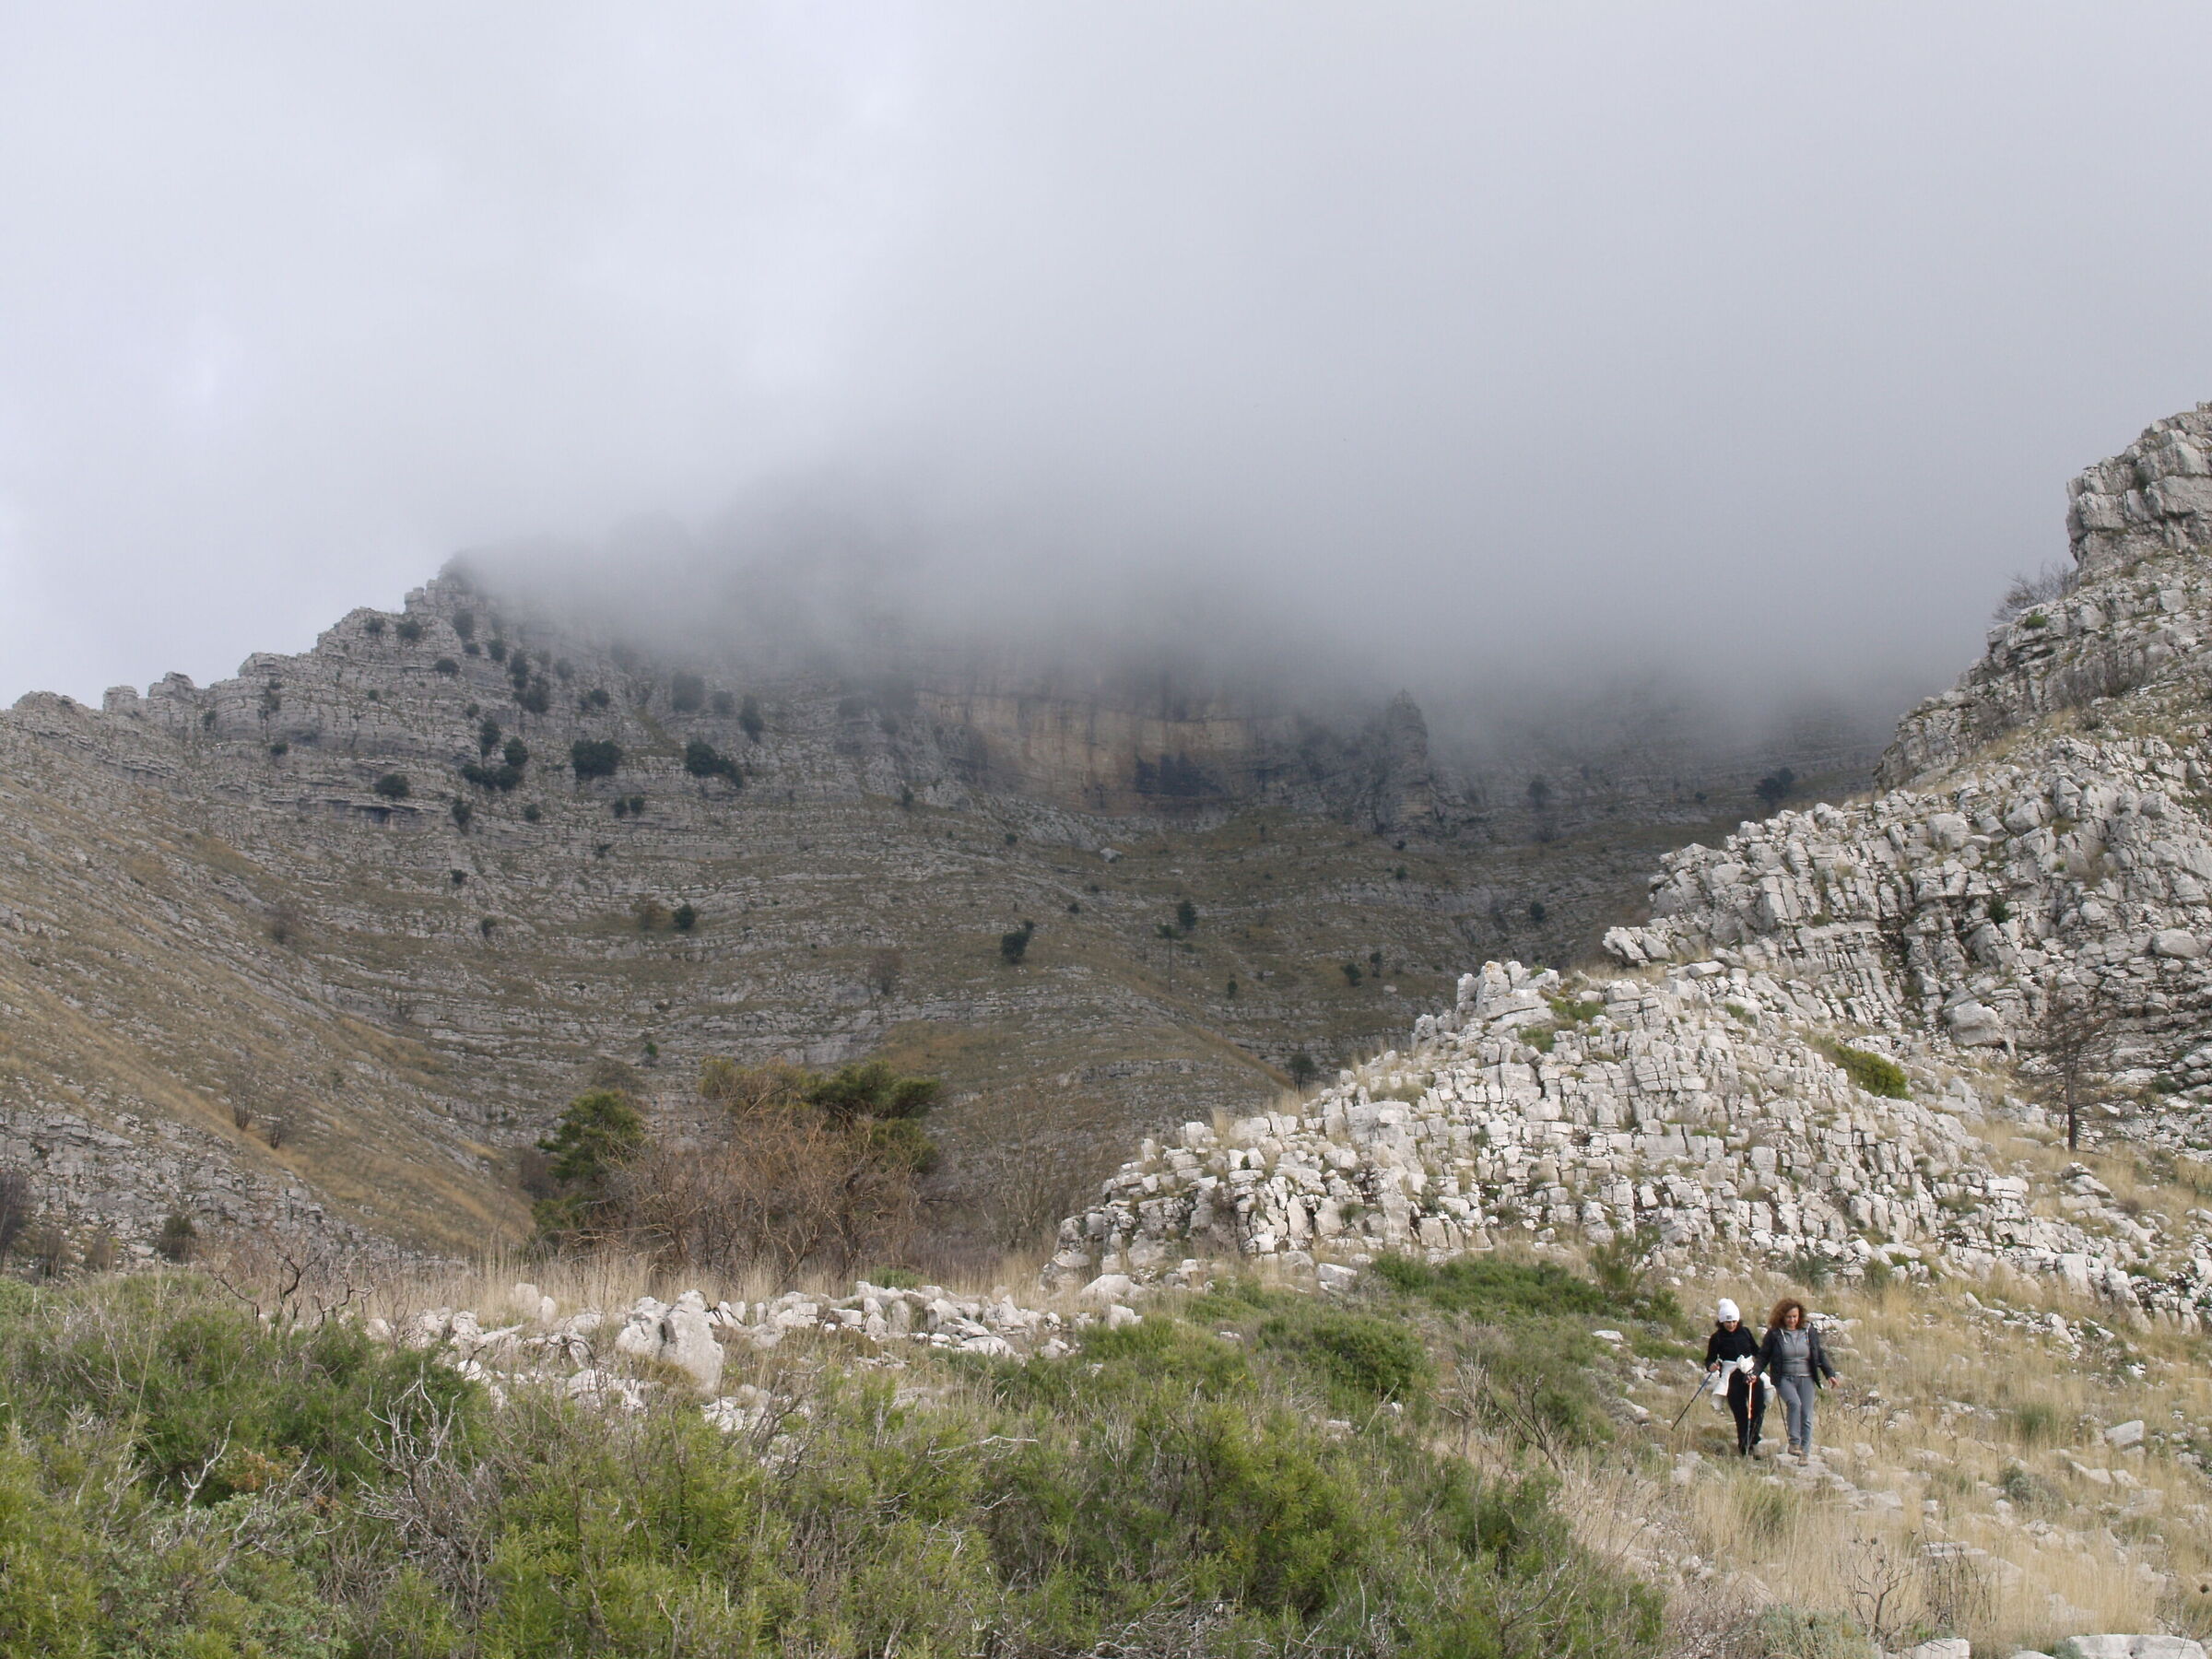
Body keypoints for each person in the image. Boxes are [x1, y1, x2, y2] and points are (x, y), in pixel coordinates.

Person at [1755, 1296, 1839, 1461]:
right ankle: (1794, 1442)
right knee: (1794, 1403)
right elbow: (1763, 1356)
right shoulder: (1774, 1334)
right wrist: (1754, 1373)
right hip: (1784, 1377)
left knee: (1807, 1415)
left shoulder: (1808, 1331)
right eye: (1788, 1317)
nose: (1792, 1320)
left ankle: (1804, 1454)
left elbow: (1818, 1353)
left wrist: (1830, 1374)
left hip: (1806, 1377)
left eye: (1795, 1316)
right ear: (1782, 1317)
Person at [1703, 1298, 1764, 1456]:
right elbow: (1709, 1359)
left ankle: (1753, 1438)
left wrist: (1762, 1363)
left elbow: (1757, 1351)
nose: (1731, 1325)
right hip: (1731, 1376)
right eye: (1727, 1321)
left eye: (1734, 1321)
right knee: (1740, 1412)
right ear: (1721, 1321)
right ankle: (1744, 1446)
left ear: (1738, 1320)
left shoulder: (1746, 1332)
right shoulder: (1717, 1337)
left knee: (1758, 1406)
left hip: (1750, 1371)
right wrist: (1712, 1366)